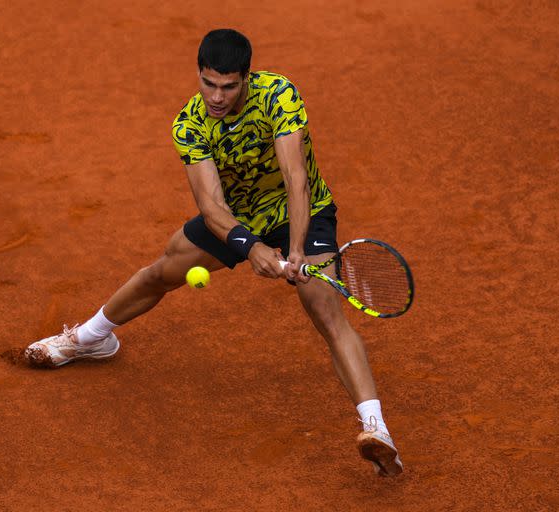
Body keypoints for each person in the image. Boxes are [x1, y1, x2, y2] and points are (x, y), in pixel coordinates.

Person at [24, 29, 403, 477]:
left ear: (247, 78)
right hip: (236, 218)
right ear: (199, 76)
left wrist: (296, 247)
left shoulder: (278, 94)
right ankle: (89, 339)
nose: (217, 96)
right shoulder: (190, 124)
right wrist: (251, 246)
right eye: (208, 84)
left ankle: (377, 431)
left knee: (325, 311)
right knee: (163, 272)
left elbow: (295, 176)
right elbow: (210, 206)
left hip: (303, 211)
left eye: (228, 86)